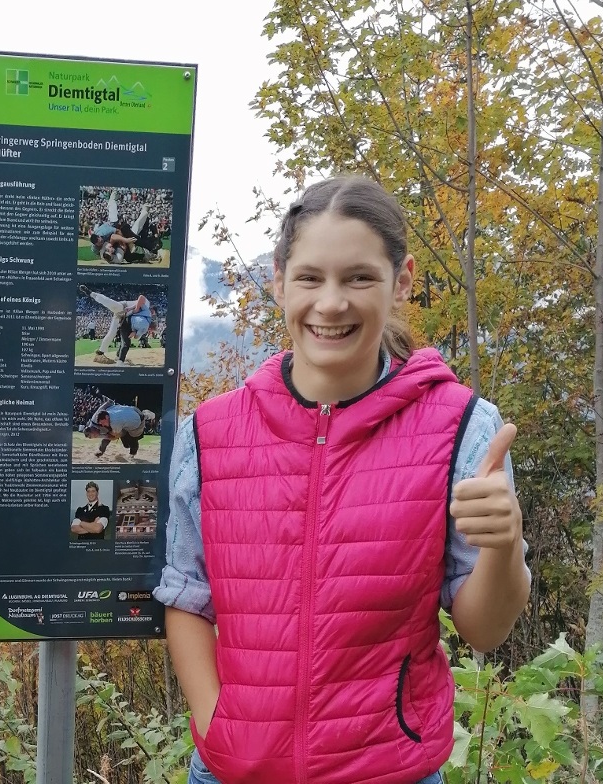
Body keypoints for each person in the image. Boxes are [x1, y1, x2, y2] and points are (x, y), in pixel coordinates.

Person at [154, 176, 531, 784]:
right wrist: (218, 722)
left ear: (401, 279)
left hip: (390, 771)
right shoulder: (212, 433)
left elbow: (484, 630)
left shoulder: (462, 428)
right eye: (310, 278)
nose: (331, 303)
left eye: (359, 277)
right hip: (231, 772)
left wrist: (504, 543)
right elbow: (186, 596)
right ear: (279, 279)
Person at [80, 285, 152, 365]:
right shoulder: (147, 306)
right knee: (112, 304)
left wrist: (135, 332)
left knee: (112, 333)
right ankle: (91, 293)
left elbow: (136, 331)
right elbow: (141, 298)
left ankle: (104, 353)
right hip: (123, 308)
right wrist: (136, 308)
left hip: (123, 319)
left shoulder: (145, 322)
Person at [84, 402, 157, 459]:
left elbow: (113, 437)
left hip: (137, 420)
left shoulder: (112, 422)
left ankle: (146, 415)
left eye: (93, 436)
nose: (102, 425)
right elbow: (107, 404)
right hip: (128, 411)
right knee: (123, 442)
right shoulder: (99, 420)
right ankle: (101, 451)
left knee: (133, 439)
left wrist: (103, 436)